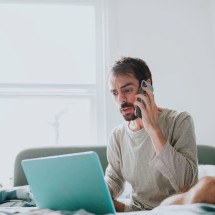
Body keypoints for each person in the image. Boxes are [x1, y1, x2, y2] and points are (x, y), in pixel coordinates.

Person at [104, 56, 198, 212]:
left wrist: (153, 129)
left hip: (174, 210)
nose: (120, 99)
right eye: (114, 93)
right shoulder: (117, 135)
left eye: (127, 90)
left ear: (146, 86)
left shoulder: (179, 121)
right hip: (135, 210)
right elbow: (114, 180)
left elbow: (187, 184)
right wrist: (93, 195)